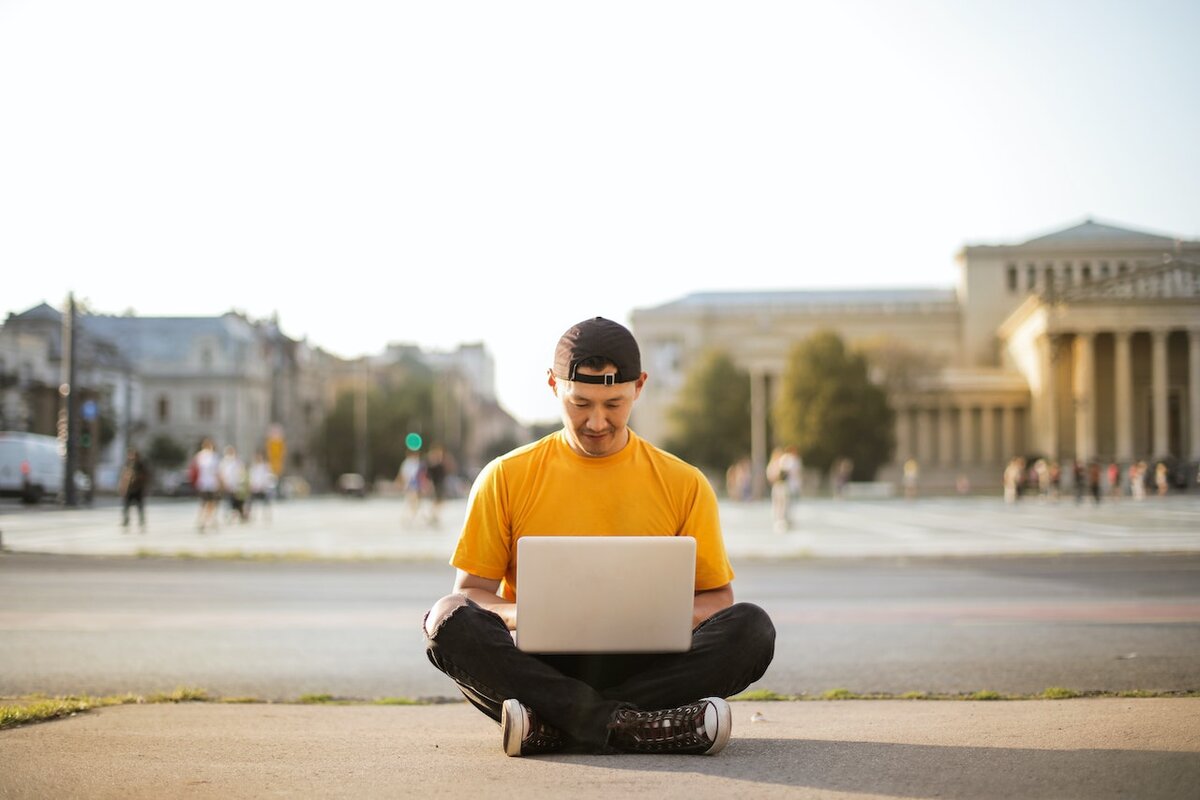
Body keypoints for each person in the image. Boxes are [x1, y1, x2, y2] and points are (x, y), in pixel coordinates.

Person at [421, 317, 776, 757]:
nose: (597, 421)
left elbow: (718, 600)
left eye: (614, 403)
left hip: (649, 665)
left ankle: (556, 726)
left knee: (753, 628)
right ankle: (634, 726)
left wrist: (646, 619)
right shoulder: (504, 477)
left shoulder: (684, 482)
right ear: (553, 385)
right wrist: (527, 614)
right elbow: (472, 594)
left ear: (639, 387)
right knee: (447, 619)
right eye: (581, 402)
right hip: (540, 665)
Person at [767, 446, 801, 532]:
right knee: (778, 505)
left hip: (784, 486)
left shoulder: (784, 462)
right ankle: (779, 521)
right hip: (778, 486)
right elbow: (771, 476)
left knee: (785, 504)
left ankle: (785, 520)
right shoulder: (776, 464)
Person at [192, 438, 221, 532]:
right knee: (211, 504)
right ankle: (207, 521)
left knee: (204, 504)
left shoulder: (199, 456)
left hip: (203, 483)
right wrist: (221, 483)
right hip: (211, 483)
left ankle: (203, 521)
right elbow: (216, 472)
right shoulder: (213, 456)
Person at [118, 447, 149, 532]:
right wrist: (122, 488)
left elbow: (146, 477)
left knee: (140, 508)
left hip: (138, 489)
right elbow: (123, 477)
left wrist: (139, 479)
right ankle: (126, 522)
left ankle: (141, 523)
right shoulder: (127, 464)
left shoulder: (141, 465)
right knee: (126, 508)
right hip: (129, 490)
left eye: (134, 455)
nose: (132, 457)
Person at [247, 451, 275, 523]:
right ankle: (249, 516)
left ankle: (267, 516)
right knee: (249, 502)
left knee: (266, 502)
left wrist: (264, 486)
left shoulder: (265, 467)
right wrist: (252, 486)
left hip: (263, 489)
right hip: (255, 489)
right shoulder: (253, 467)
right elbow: (251, 478)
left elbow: (268, 477)